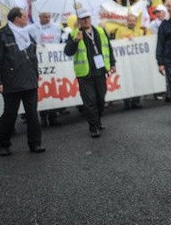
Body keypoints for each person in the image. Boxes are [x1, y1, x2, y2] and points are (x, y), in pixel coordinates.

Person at [0, 7, 45, 156]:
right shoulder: (2, 35)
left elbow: (32, 57)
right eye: (24, 16)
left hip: (29, 81)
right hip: (11, 82)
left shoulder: (27, 34)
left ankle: (35, 143)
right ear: (17, 18)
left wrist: (35, 75)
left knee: (33, 114)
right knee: (9, 115)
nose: (27, 18)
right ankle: (3, 144)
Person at [64, 8, 116, 138]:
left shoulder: (99, 31)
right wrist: (75, 41)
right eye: (83, 18)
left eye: (87, 17)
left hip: (100, 72)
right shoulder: (74, 34)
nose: (86, 20)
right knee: (89, 101)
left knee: (100, 98)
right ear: (79, 21)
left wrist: (112, 63)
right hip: (85, 74)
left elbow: (108, 47)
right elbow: (68, 52)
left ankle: (97, 120)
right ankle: (93, 126)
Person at [29, 11, 63, 126]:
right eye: (45, 17)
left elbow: (60, 42)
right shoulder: (31, 29)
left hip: (53, 62)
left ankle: (54, 116)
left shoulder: (56, 28)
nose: (48, 18)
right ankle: (43, 116)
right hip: (39, 63)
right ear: (39, 17)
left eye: (49, 16)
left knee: (53, 88)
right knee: (42, 89)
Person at [116, 11, 149, 110]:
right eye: (129, 20)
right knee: (126, 81)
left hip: (136, 62)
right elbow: (117, 44)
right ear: (126, 21)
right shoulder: (120, 31)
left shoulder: (139, 31)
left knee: (137, 80)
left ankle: (136, 101)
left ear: (135, 22)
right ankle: (127, 102)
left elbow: (142, 44)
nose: (131, 22)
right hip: (125, 61)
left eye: (133, 21)